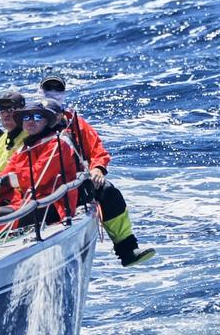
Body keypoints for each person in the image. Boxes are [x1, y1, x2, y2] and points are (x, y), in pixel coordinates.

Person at [39, 75, 154, 266]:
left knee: (108, 191)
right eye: (48, 88)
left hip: (74, 184)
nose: (52, 91)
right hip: (44, 190)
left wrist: (98, 169)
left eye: (57, 88)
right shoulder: (31, 122)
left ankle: (127, 249)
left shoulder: (74, 122)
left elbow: (97, 149)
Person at [0, 100, 84, 224]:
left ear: (46, 121)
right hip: (27, 201)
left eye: (37, 117)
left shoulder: (58, 144)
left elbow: (38, 176)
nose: (31, 121)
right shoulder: (23, 148)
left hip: (55, 203)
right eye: (26, 117)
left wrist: (8, 180)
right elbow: (9, 169)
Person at [0, 88, 27, 177]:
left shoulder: (30, 136)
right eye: (1, 110)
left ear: (22, 112)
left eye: (11, 110)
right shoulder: (2, 140)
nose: (5, 114)